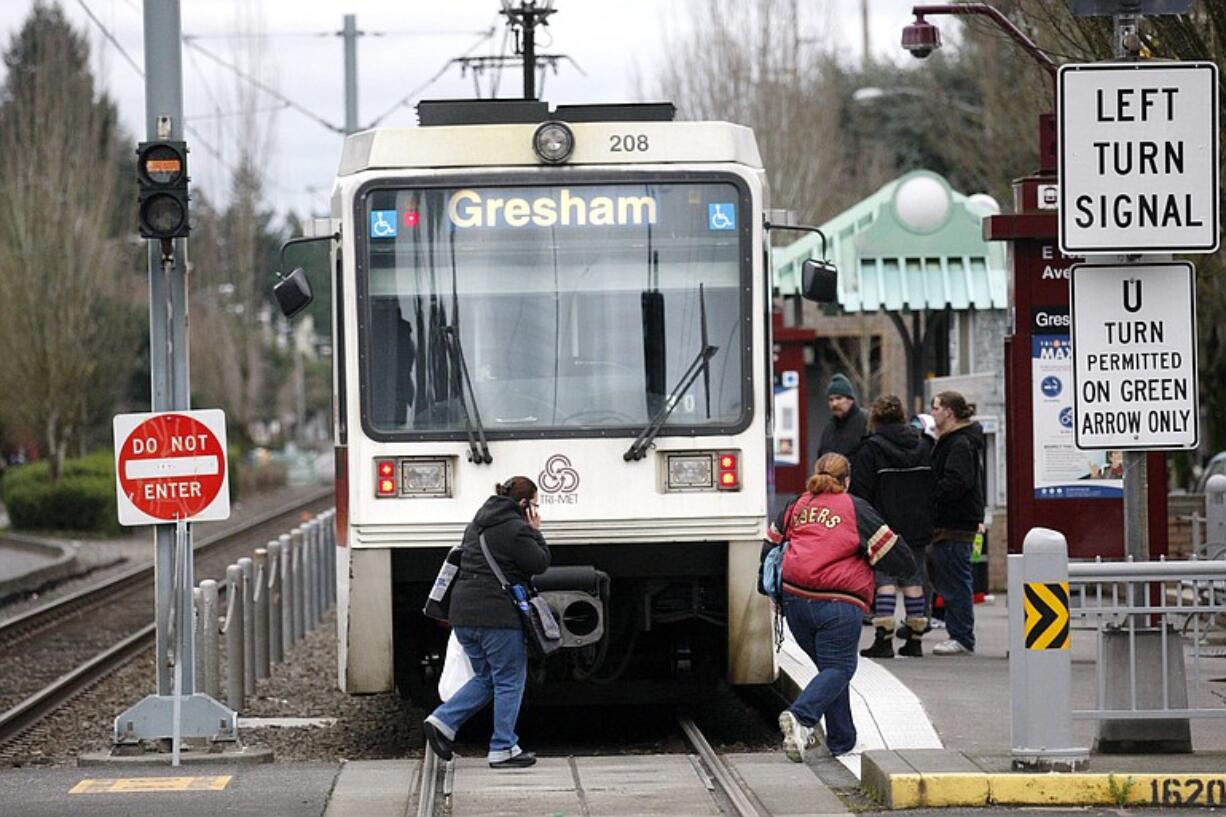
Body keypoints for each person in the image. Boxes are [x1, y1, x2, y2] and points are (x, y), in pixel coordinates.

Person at [767, 453, 915, 762]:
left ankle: (842, 739)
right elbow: (898, 556)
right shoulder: (854, 507)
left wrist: (769, 591)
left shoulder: (796, 506)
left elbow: (770, 546)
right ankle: (802, 717)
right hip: (837, 603)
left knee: (829, 669)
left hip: (795, 602)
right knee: (841, 667)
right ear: (846, 480)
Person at [422, 476, 551, 768]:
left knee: (486, 678)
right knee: (509, 680)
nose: (536, 510)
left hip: (464, 615)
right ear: (523, 504)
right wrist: (536, 532)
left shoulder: (475, 525)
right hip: (497, 616)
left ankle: (442, 720)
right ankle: (503, 747)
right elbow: (540, 563)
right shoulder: (517, 530)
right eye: (535, 504)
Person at [851, 395, 933, 658]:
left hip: (882, 524)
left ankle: (884, 639)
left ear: (875, 417)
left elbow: (860, 492)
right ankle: (915, 638)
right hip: (918, 522)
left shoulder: (871, 449)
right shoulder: (922, 445)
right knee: (913, 576)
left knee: (884, 579)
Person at [929, 391, 985, 656]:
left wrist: (931, 494)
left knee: (955, 581)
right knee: (952, 579)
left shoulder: (959, 442)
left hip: (954, 521)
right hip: (955, 520)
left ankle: (961, 636)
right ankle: (960, 633)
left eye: (936, 407)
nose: (933, 412)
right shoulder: (958, 440)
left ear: (949, 411)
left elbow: (957, 482)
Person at [816, 373, 868, 459]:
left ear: (850, 399)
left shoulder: (865, 423)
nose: (834, 403)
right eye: (831, 400)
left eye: (839, 398)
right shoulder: (829, 428)